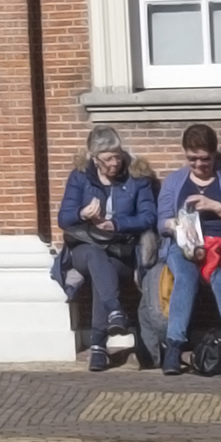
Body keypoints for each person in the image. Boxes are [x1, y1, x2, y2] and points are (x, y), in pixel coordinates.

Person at [154, 122, 221, 376]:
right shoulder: (175, 181)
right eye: (193, 159)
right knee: (185, 276)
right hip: (184, 246)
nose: (199, 165)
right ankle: (174, 348)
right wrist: (175, 224)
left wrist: (214, 205)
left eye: (205, 159)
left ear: (214, 155)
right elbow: (161, 222)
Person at [50, 128, 158, 373]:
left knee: (103, 270)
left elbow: (149, 216)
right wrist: (82, 213)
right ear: (95, 158)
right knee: (96, 257)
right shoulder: (80, 177)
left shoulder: (137, 177)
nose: (114, 163)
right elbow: (64, 218)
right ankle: (115, 311)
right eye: (108, 159)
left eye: (117, 156)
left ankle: (99, 345)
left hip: (120, 250)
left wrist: (116, 224)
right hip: (84, 248)